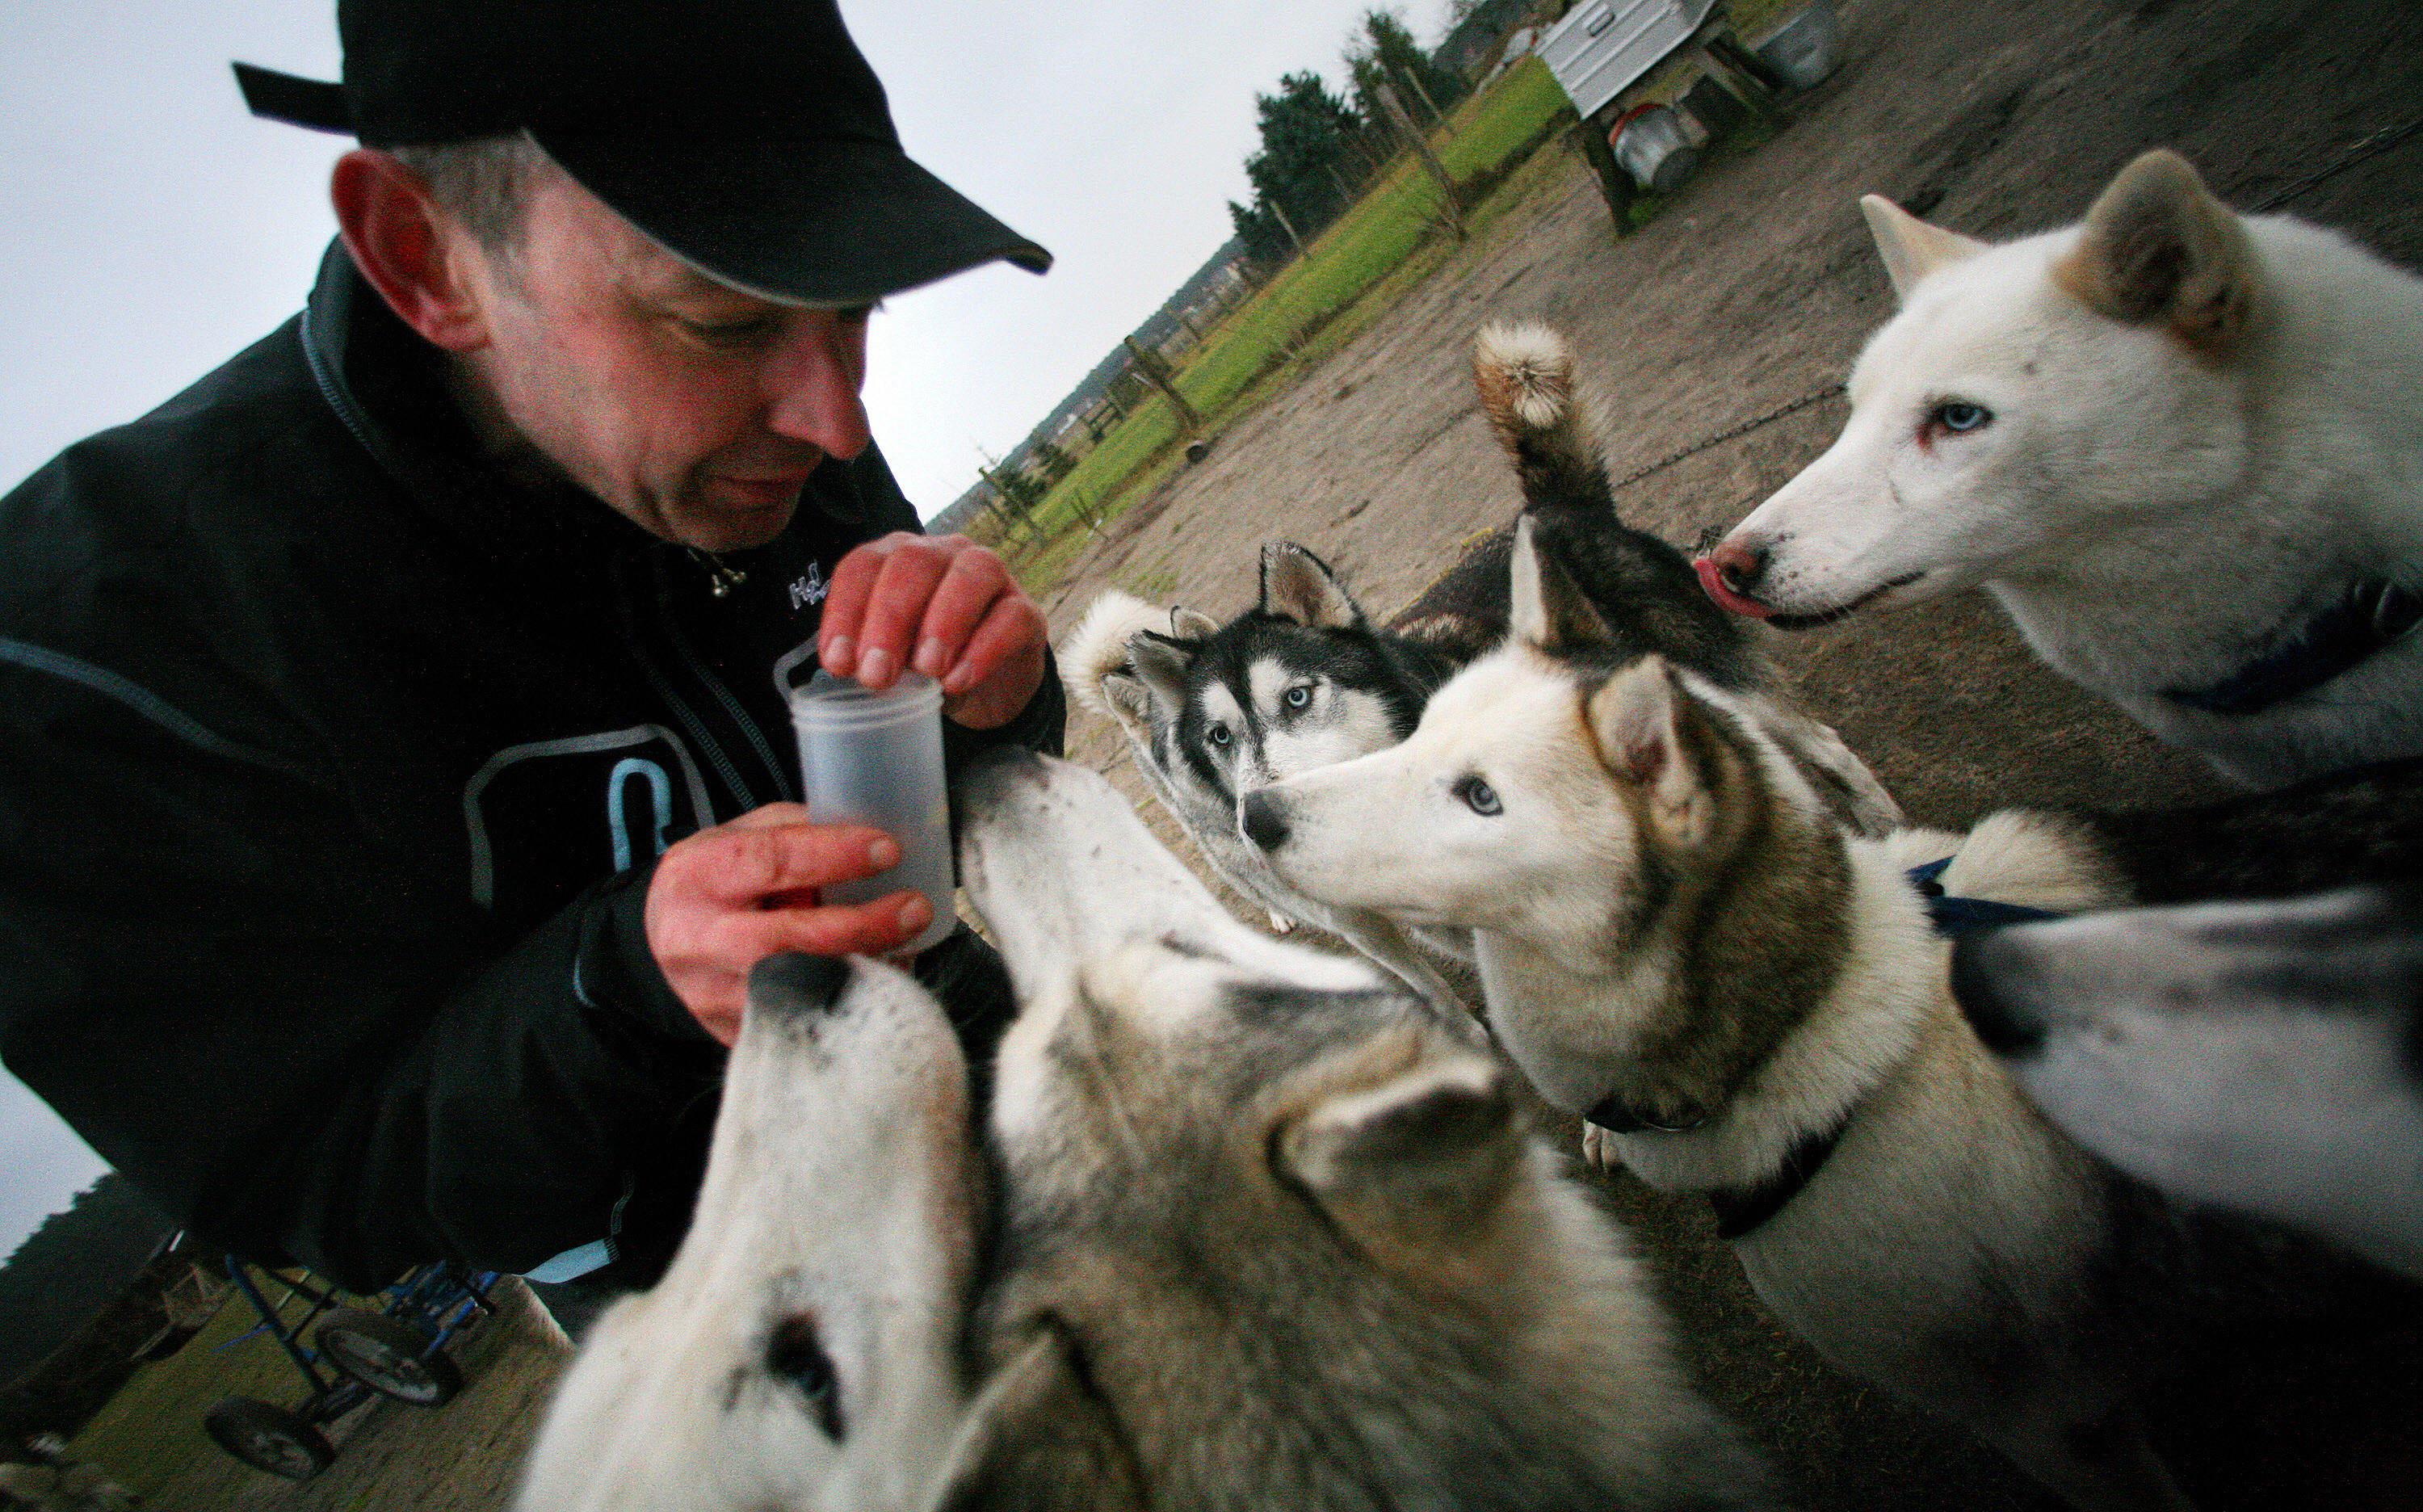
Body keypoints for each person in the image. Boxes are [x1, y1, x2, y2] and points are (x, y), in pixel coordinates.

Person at [0, 0, 1062, 1323]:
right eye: (727, 324)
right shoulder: (87, 656)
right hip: (713, 1289)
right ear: (425, 258)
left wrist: (996, 696)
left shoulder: (766, 429)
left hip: (998, 1076)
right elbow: (316, 1181)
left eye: (852, 310)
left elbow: (935, 790)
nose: (838, 423)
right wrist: (614, 990)